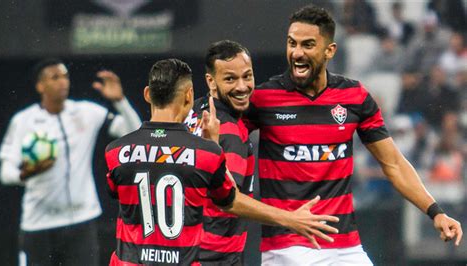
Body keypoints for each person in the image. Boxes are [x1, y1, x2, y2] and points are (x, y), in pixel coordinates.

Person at [246, 5, 463, 265]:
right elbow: (223, 141)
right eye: (292, 43)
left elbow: (393, 163)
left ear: (330, 51)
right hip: (287, 248)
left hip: (346, 248)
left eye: (308, 44)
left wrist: (435, 212)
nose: (297, 52)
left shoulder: (353, 97)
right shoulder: (263, 99)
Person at [104, 58, 340, 265]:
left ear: (147, 94)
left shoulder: (116, 152)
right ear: (189, 95)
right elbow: (228, 200)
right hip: (197, 258)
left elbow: (120, 193)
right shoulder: (206, 152)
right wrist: (290, 218)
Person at [0, 58, 141, 266]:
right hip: (38, 224)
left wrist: (120, 101)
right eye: (54, 77)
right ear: (40, 85)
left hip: (81, 221)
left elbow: (132, 132)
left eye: (65, 76)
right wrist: (26, 173)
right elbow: (5, 172)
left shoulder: (86, 112)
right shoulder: (23, 121)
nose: (62, 82)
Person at [184, 40, 255, 265]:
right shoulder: (230, 132)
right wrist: (291, 219)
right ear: (210, 81)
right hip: (216, 255)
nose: (242, 87)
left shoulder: (191, 111)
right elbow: (230, 200)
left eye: (248, 76)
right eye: (230, 79)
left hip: (182, 249)